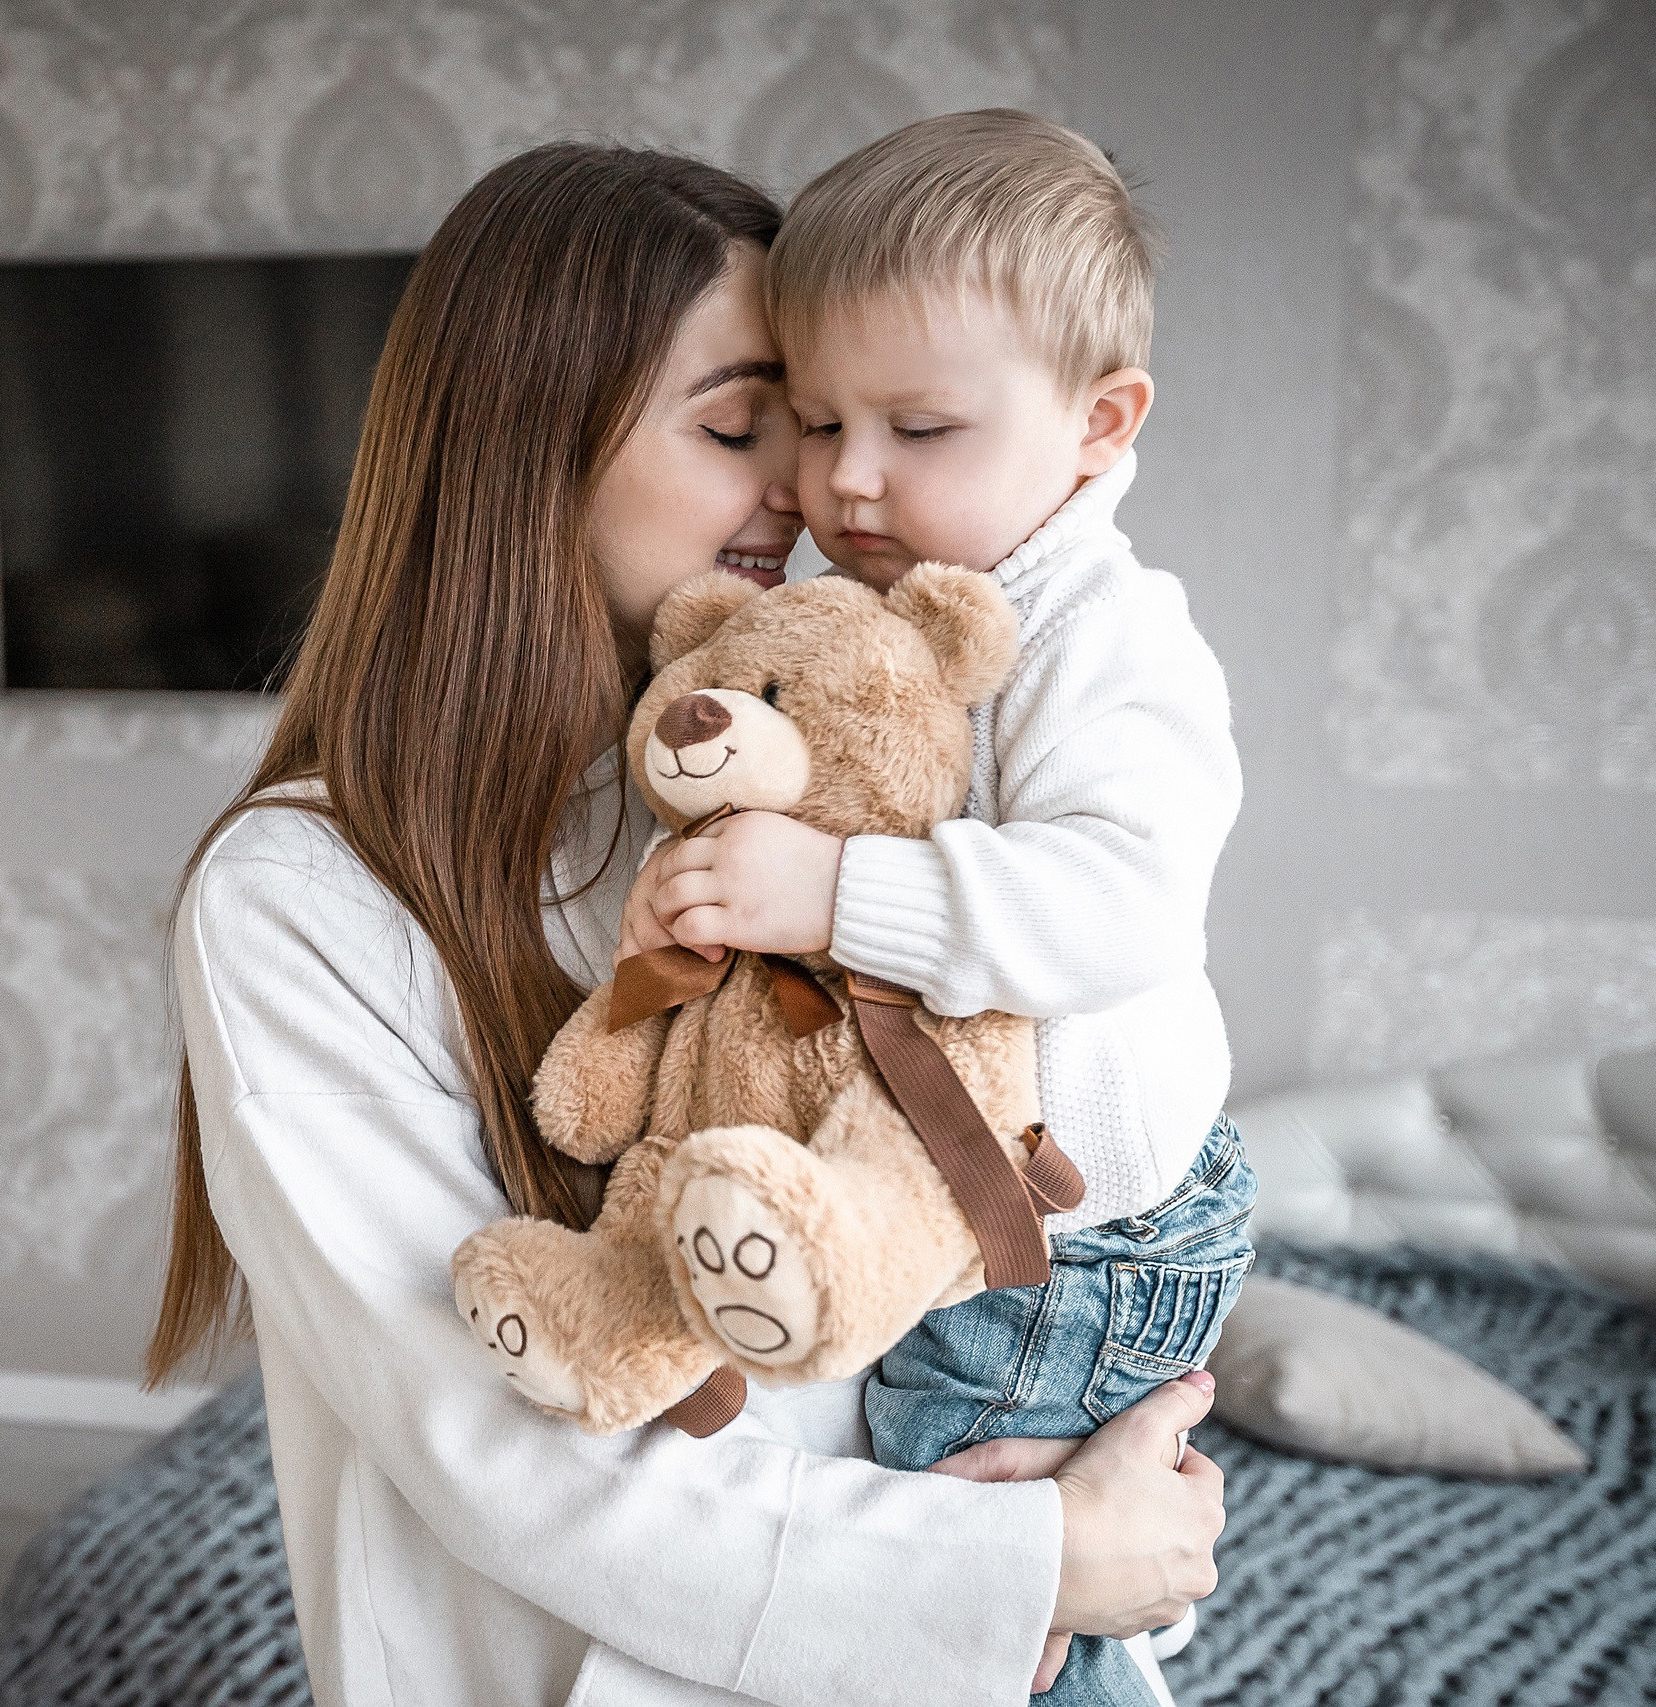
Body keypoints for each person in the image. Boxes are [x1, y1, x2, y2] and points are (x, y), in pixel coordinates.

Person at [149, 142, 1224, 1707]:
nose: (819, 484)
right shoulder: (301, 898)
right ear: (532, 449)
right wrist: (1039, 1566)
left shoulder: (793, 796)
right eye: (746, 426)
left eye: (831, 419)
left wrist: (1100, 1521)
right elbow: (501, 1453)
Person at [623, 112, 1252, 1704]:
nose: (843, 478)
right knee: (939, 1552)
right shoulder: (862, 609)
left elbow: (1121, 904)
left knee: (978, 1566)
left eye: (920, 429)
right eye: (817, 418)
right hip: (967, 1191)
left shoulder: (1110, 640)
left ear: (1101, 425)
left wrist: (835, 892)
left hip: (1082, 1227)